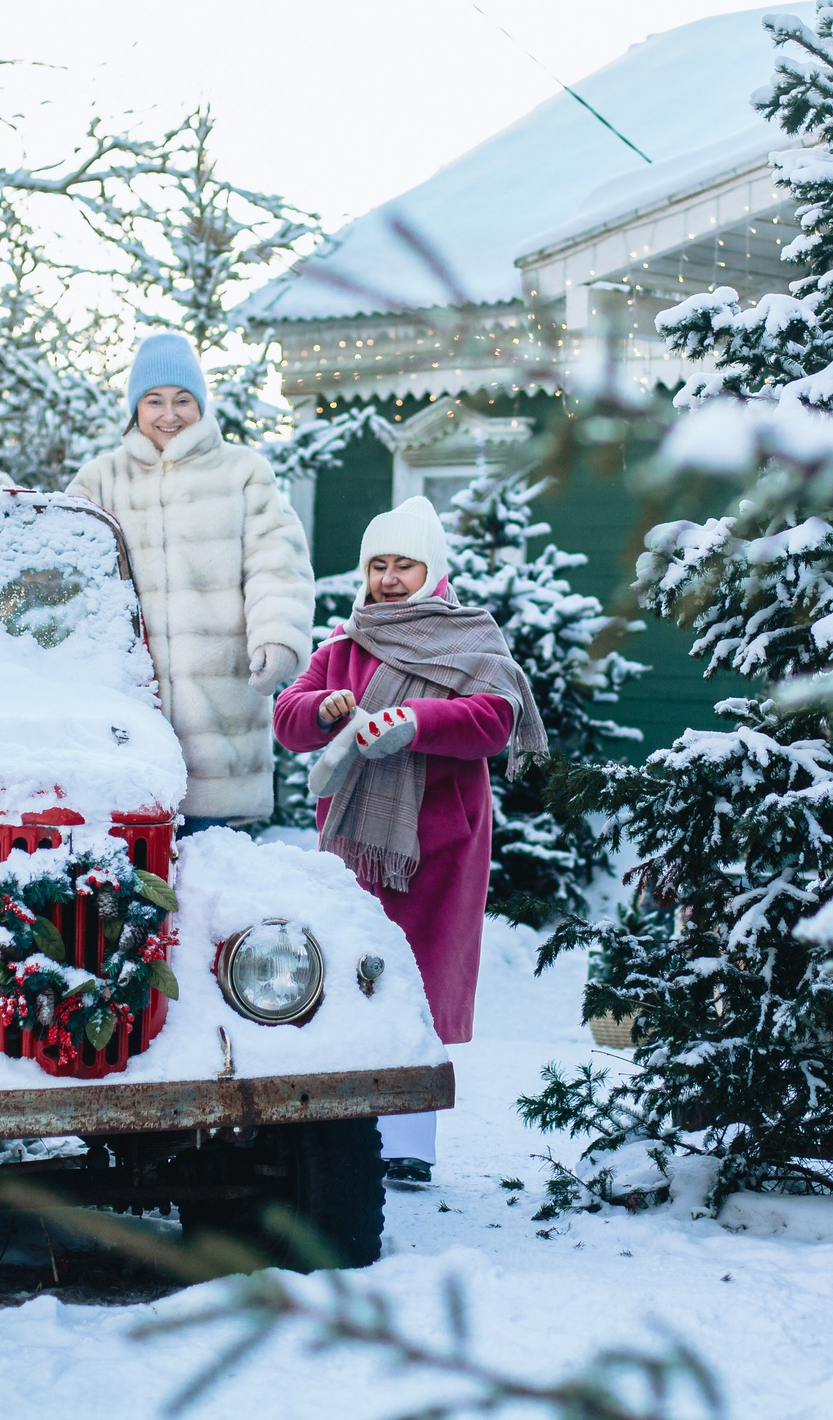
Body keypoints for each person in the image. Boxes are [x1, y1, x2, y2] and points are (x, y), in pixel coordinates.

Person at [273, 496, 547, 1181]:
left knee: (415, 985)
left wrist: (414, 721)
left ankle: (408, 1146)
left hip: (437, 845)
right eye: (379, 565)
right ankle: (344, 1131)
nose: (389, 578)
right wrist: (322, 706)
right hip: (354, 848)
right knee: (350, 978)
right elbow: (288, 719)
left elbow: (492, 720)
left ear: (433, 568)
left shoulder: (469, 637)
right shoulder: (343, 643)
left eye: (404, 564)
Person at [60, 333, 314, 831]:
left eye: (183, 401)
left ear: (201, 404)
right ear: (136, 408)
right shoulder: (101, 479)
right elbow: (54, 557)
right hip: (128, 712)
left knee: (214, 879)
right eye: (154, 401)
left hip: (222, 720)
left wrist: (278, 637)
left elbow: (277, 562)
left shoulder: (243, 472)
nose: (169, 414)